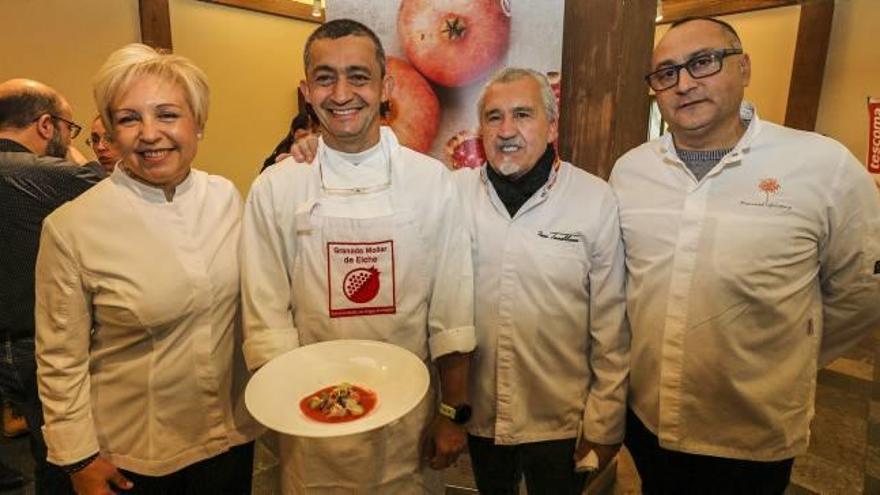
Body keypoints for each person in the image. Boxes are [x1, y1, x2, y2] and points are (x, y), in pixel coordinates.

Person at [609, 16, 880, 494]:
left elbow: (864, 287)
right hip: (648, 416)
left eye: (703, 62)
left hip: (751, 431)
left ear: (743, 68)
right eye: (666, 73)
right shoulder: (632, 171)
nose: (685, 83)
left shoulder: (821, 165)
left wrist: (793, 350)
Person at [240, 19, 475, 493]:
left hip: (411, 419)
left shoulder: (431, 183)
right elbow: (266, 319)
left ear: (385, 86)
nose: (341, 93)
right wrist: (294, 413)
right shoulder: (277, 188)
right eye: (325, 78)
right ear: (307, 91)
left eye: (359, 76)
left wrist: (452, 413)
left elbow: (451, 310)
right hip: (309, 427)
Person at [35, 43, 260, 494]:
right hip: (137, 458)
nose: (150, 133)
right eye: (129, 118)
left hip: (236, 437)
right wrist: (79, 460)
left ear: (199, 123)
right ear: (112, 133)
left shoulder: (226, 198)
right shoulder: (72, 228)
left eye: (167, 114)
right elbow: (60, 360)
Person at [454, 67, 629, 494]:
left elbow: (612, 324)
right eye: (494, 117)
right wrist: (308, 153)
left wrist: (604, 422)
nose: (507, 130)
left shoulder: (594, 198)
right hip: (479, 413)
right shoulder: (451, 192)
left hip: (561, 420)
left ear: (551, 126)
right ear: (481, 129)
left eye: (522, 114)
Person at [0, 78, 105, 494]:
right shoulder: (47, 174)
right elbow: (120, 194)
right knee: (63, 456)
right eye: (70, 127)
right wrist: (73, 152)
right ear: (46, 125)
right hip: (36, 341)